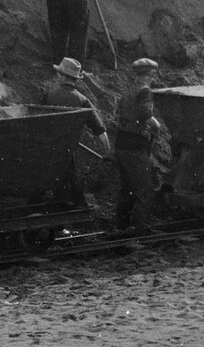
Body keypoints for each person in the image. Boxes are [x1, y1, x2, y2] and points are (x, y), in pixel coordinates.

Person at [112, 58, 163, 233]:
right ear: (151, 73)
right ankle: (141, 228)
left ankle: (122, 226)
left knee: (127, 188)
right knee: (145, 189)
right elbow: (146, 113)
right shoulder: (145, 91)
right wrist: (156, 126)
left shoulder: (128, 90)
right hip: (135, 145)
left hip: (121, 143)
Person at [42, 56, 113, 157]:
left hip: (47, 149)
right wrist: (107, 152)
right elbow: (100, 130)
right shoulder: (83, 101)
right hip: (68, 152)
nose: (57, 76)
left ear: (63, 76)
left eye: (58, 73)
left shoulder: (48, 96)